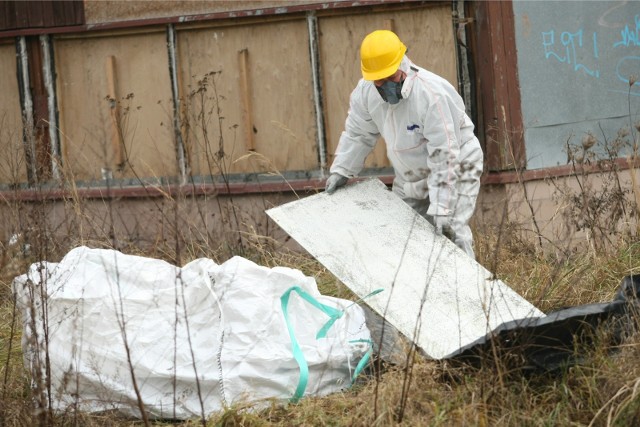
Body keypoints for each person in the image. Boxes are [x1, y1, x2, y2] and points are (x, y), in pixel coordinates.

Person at [324, 29, 484, 259]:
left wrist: (442, 207)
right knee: (402, 234)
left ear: (402, 64)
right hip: (410, 173)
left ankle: (470, 291)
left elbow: (444, 154)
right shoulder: (365, 93)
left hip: (458, 164)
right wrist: (341, 170)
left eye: (391, 77)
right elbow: (358, 134)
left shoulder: (431, 94)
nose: (386, 85)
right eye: (380, 79)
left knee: (451, 230)